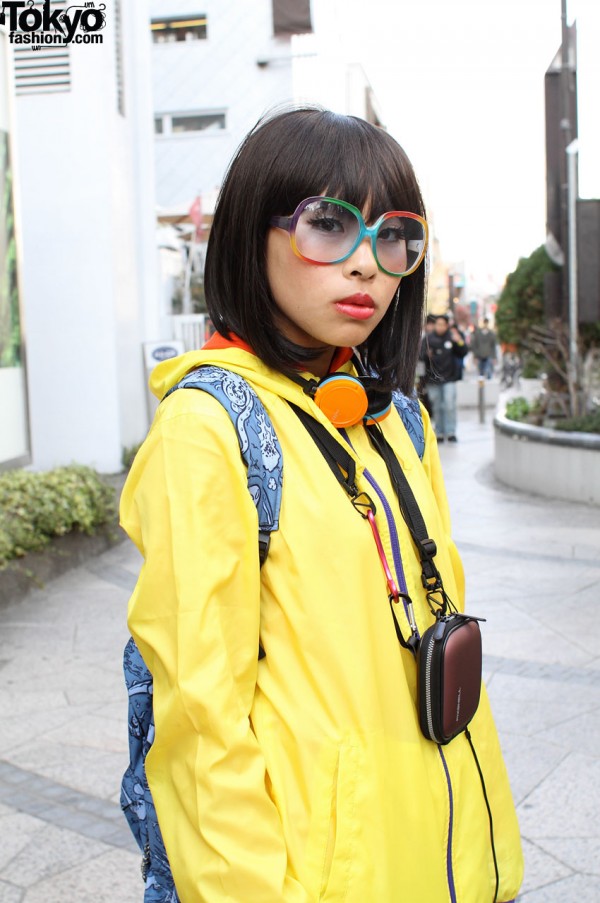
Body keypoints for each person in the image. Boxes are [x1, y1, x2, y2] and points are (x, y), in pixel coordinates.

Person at [120, 106, 523, 902]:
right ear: (249, 233)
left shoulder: (394, 417)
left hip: (433, 856)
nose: (367, 264)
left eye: (393, 235)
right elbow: (202, 726)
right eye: (328, 225)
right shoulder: (209, 430)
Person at [420, 313, 467, 442]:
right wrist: (426, 354)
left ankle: (451, 432)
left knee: (449, 404)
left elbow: (463, 352)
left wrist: (459, 342)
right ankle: (439, 432)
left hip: (449, 378)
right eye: (437, 324)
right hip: (433, 379)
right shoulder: (428, 339)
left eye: (442, 324)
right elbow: (419, 356)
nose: (439, 327)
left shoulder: (452, 337)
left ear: (447, 326)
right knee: (436, 405)